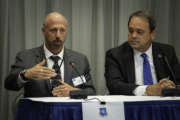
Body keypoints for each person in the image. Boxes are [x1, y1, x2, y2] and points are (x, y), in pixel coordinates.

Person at [5, 12, 95, 97]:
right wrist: (25, 75)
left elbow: (91, 92)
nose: (58, 35)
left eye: (62, 30)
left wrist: (73, 92)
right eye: (53, 30)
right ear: (43, 31)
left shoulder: (80, 60)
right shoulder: (26, 57)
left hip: (70, 112)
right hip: (38, 112)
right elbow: (9, 84)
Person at [105, 10, 180, 96]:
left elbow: (177, 81)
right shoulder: (115, 55)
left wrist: (171, 86)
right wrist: (147, 90)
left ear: (152, 34)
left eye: (139, 32)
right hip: (132, 106)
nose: (133, 36)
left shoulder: (167, 52)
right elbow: (114, 86)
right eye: (131, 31)